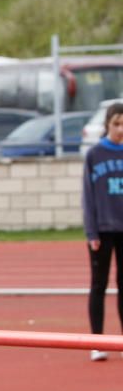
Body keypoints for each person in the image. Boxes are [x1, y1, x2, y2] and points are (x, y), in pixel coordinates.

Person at [82, 102, 123, 362]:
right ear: (107, 124)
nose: (121, 129)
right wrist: (91, 232)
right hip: (102, 231)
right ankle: (97, 342)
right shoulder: (95, 154)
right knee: (99, 285)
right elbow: (88, 197)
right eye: (117, 123)